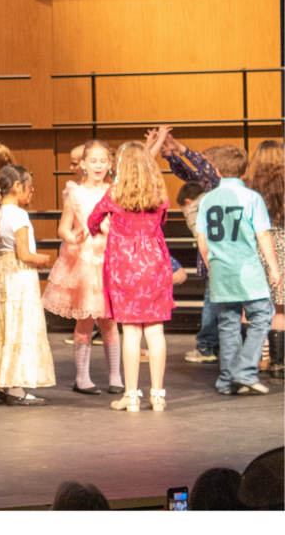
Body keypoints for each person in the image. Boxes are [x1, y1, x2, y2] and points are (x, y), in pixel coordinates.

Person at [88, 140, 174, 413]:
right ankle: (158, 396)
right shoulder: (159, 193)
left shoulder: (114, 194)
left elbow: (92, 221)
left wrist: (105, 230)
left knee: (132, 332)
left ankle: (131, 395)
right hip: (155, 263)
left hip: (124, 265)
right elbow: (160, 223)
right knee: (155, 330)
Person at [197, 144, 281, 395]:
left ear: (218, 170)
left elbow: (202, 241)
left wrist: (212, 265)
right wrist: (275, 269)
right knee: (263, 315)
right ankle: (244, 371)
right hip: (247, 271)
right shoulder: (252, 198)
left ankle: (227, 380)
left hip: (220, 270)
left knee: (228, 322)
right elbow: (263, 235)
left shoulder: (207, 199)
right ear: (244, 171)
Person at [42, 140, 124, 395]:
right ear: (84, 164)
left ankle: (115, 375)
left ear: (109, 164)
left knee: (110, 322)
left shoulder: (115, 191)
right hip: (84, 263)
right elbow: (64, 227)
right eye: (93, 161)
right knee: (85, 321)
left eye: (103, 161)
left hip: (109, 261)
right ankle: (82, 377)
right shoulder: (75, 193)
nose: (98, 165)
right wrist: (71, 237)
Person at [0, 165, 55, 405]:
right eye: (29, 188)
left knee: (7, 327)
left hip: (2, 270)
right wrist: (43, 259)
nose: (31, 193)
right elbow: (24, 253)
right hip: (18, 274)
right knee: (20, 326)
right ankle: (16, 389)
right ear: (16, 186)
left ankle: (4, 381)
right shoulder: (18, 214)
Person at [159, 130, 222, 363]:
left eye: (205, 165)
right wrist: (171, 156)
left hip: (216, 256)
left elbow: (200, 171)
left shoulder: (216, 188)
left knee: (214, 302)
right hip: (211, 257)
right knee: (213, 300)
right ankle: (209, 346)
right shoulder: (206, 190)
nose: (199, 172)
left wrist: (182, 149)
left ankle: (207, 346)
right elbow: (189, 174)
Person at [243, 140, 285, 383]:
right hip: (283, 247)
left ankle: (255, 359)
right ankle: (278, 365)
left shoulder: (248, 187)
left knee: (250, 306)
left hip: (254, 246)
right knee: (279, 306)